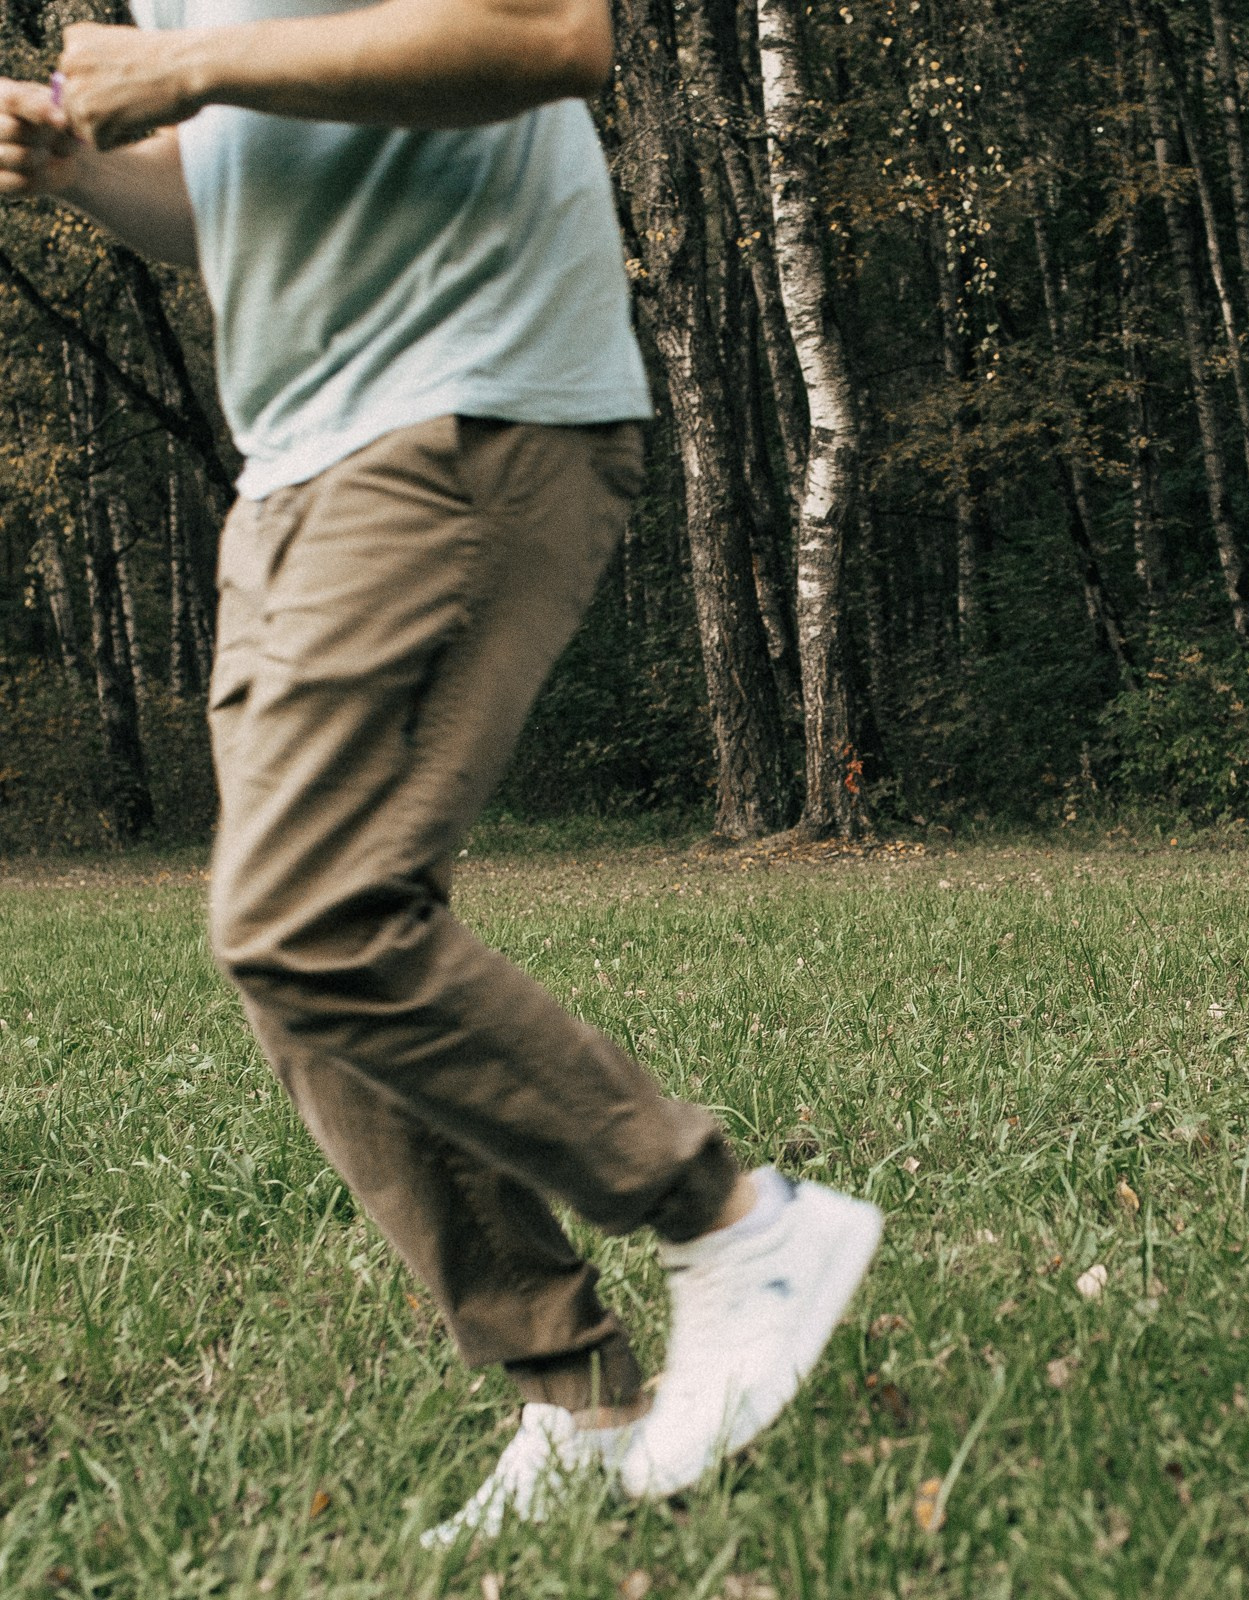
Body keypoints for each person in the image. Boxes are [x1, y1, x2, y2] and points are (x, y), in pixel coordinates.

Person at [0, 0, 879, 1541]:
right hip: (299, 456)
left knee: (310, 914)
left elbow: (545, 32)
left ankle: (732, 1221)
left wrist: (189, 67)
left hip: (464, 408)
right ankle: (575, 1398)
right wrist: (85, 165)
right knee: (300, 957)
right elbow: (242, 202)